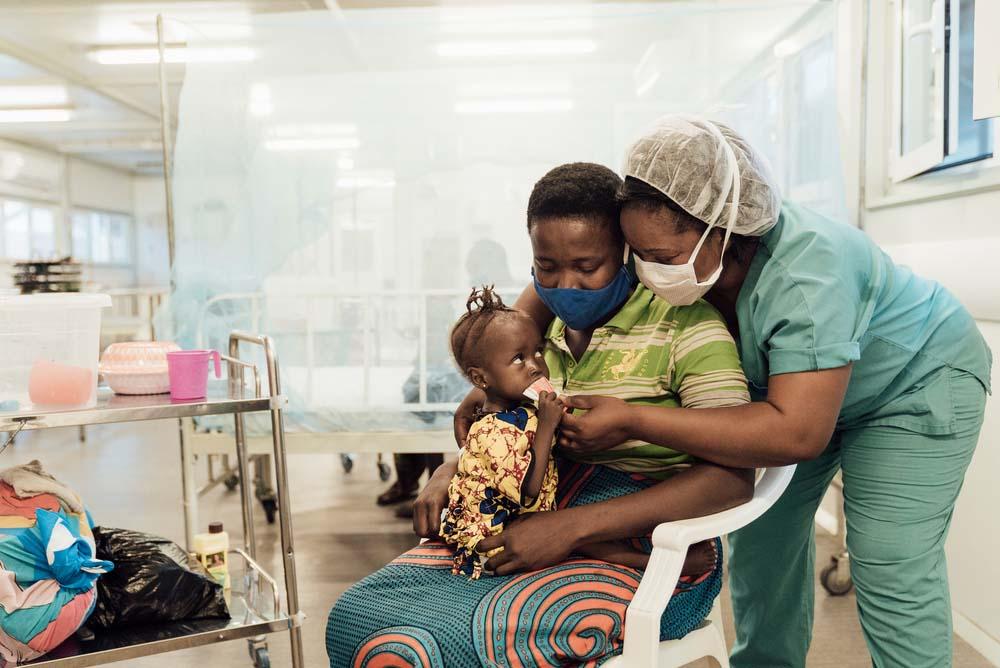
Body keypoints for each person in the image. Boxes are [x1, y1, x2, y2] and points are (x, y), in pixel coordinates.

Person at [439, 116, 992, 668]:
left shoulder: (806, 276)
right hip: (794, 398)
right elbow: (549, 290)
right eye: (635, 253)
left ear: (723, 232)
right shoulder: (680, 247)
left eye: (662, 258)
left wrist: (635, 420)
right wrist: (497, 374)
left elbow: (797, 432)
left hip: (911, 383)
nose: (644, 271)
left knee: (890, 560)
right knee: (762, 548)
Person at [327, 162, 753, 667]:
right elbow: (507, 443)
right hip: (527, 515)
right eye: (546, 267)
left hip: (654, 547)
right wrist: (452, 473)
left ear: (625, 254)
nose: (565, 284)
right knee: (356, 615)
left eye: (587, 266)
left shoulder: (687, 330)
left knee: (431, 646)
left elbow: (733, 479)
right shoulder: (535, 342)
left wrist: (571, 528)